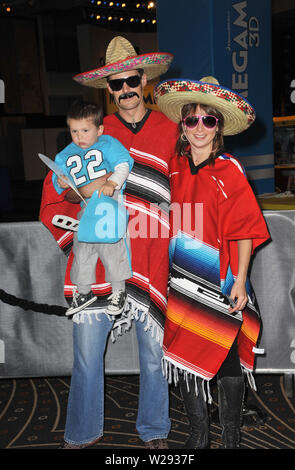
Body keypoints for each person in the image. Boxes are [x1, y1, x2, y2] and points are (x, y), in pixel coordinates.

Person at [39, 36, 178, 449]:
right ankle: (81, 433)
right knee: (85, 355)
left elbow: (188, 193)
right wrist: (77, 212)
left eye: (132, 81)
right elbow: (53, 198)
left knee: (153, 357)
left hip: (152, 258)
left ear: (144, 80)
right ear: (108, 90)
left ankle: (155, 430)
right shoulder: (91, 135)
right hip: (100, 262)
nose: (125, 91)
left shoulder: (171, 131)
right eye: (115, 85)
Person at [154, 76, 270, 449]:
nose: (200, 128)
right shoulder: (172, 165)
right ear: (183, 126)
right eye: (192, 120)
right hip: (182, 281)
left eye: (209, 120)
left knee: (226, 358)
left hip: (223, 278)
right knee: (186, 357)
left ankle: (232, 439)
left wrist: (240, 280)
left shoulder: (229, 169)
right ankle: (198, 437)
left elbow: (246, 230)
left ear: (218, 126)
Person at [52, 100, 133, 317]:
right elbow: (59, 177)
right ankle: (84, 291)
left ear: (99, 129)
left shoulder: (107, 143)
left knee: (111, 246)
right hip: (85, 206)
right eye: (74, 131)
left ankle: (119, 291)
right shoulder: (67, 153)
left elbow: (124, 164)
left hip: (107, 201)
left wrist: (112, 183)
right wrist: (62, 181)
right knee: (82, 248)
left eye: (85, 130)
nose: (79, 136)